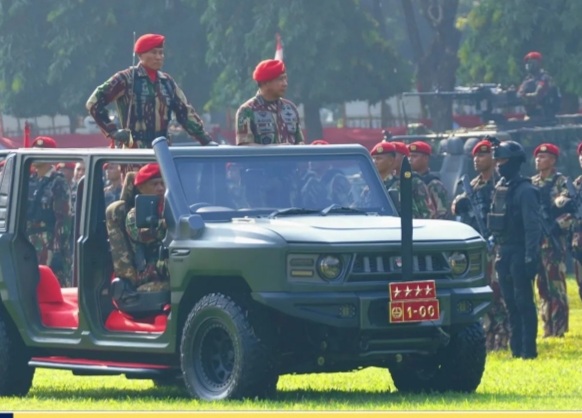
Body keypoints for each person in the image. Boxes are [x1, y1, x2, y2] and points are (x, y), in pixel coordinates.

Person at [86, 33, 214, 148]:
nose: (159, 57)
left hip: (162, 151)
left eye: (161, 53)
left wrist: (205, 140)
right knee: (134, 176)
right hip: (133, 152)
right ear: (141, 55)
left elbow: (184, 112)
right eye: (153, 53)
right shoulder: (125, 79)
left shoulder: (167, 82)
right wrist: (113, 131)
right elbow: (94, 102)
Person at [451, 139, 509, 351]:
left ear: (493, 158)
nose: (477, 159)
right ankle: (487, 337)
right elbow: (456, 207)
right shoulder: (472, 185)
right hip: (479, 247)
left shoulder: (500, 182)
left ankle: (502, 338)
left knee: (498, 292)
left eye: (483, 155)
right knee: (482, 292)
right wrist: (461, 202)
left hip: (498, 244)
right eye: (475, 156)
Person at [488, 139, 541, 359]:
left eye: (503, 160)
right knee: (509, 301)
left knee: (523, 302)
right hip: (503, 251)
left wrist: (531, 256)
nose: (499, 164)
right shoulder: (500, 188)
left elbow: (532, 227)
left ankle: (528, 350)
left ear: (515, 162)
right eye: (497, 160)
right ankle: (515, 348)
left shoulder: (526, 190)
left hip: (520, 252)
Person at [530, 143, 571, 338]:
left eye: (544, 157)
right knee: (542, 287)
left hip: (554, 242)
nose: (539, 159)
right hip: (537, 241)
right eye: (538, 156)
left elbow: (571, 211)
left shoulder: (561, 182)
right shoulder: (531, 183)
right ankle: (547, 327)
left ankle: (559, 328)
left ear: (553, 160)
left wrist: (557, 225)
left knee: (556, 285)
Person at [27, 137, 73, 287]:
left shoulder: (57, 181)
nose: (35, 155)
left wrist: (57, 251)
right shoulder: (29, 181)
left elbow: (63, 220)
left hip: (50, 244)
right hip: (29, 244)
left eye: (40, 152)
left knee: (52, 286)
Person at [235, 59, 304, 146]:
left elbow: (300, 143)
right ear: (265, 83)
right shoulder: (247, 111)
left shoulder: (290, 108)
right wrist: (277, 149)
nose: (285, 83)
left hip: (292, 160)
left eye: (285, 79)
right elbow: (245, 147)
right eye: (280, 79)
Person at [125, 163, 168, 292]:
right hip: (150, 269)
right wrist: (167, 224)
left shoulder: (169, 208)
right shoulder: (134, 214)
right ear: (141, 188)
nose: (160, 188)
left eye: (162, 183)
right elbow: (142, 235)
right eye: (154, 184)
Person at [370, 141, 436, 219]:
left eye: (378, 158)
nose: (374, 162)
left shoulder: (407, 184)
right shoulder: (373, 184)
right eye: (373, 158)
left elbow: (425, 214)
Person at [299, 140, 352, 208]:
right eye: (310, 156)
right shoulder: (307, 179)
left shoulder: (337, 180)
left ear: (327, 159)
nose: (311, 160)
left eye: (316, 156)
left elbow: (346, 207)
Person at [407, 141, 451, 219]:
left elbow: (442, 214)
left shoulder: (434, 184)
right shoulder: (408, 181)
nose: (410, 159)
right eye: (409, 156)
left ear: (425, 158)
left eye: (414, 156)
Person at [517, 51, 559, 120]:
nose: (528, 65)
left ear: (538, 63)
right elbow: (519, 94)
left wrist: (525, 96)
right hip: (531, 115)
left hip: (544, 116)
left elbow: (537, 95)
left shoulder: (544, 78)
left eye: (531, 62)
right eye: (527, 63)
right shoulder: (527, 79)